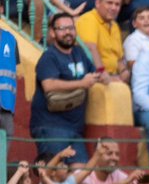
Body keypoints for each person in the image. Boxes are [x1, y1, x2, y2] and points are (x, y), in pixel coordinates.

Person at [32, 12, 105, 164]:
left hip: (76, 129)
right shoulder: (49, 56)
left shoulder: (79, 52)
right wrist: (81, 83)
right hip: (51, 127)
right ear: (52, 33)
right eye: (62, 28)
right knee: (55, 174)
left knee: (81, 174)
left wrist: (104, 76)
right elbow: (49, 85)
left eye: (71, 28)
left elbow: (95, 73)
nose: (68, 32)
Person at [76, 0, 129, 83]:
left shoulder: (114, 26)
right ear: (97, 3)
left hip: (113, 76)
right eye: (109, 3)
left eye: (117, 4)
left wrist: (124, 71)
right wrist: (102, 73)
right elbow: (90, 49)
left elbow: (118, 58)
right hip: (95, 78)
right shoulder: (88, 19)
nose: (114, 8)